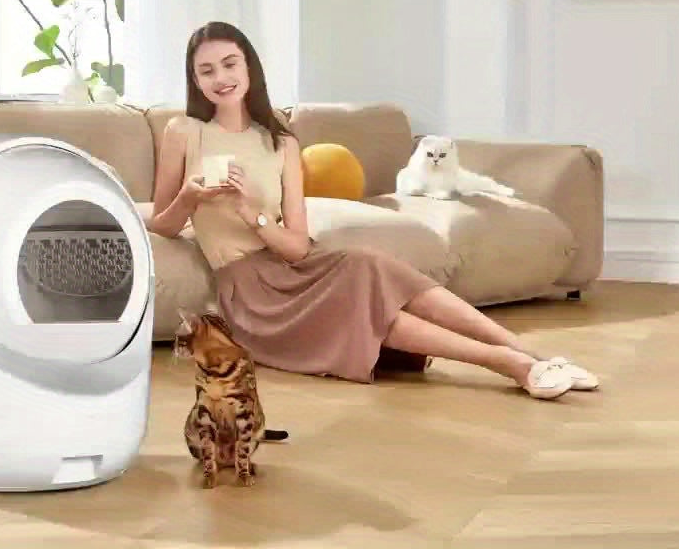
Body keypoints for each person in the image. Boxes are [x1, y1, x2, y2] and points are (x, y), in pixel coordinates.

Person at [144, 20, 599, 400]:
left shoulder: (280, 141)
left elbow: (298, 246)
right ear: (195, 80)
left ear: (249, 67)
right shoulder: (183, 132)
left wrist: (255, 216)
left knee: (373, 267)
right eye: (206, 70)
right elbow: (161, 222)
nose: (220, 78)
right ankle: (512, 365)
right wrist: (190, 197)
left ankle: (533, 355)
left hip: (293, 263)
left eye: (230, 64)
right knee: (364, 304)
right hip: (250, 290)